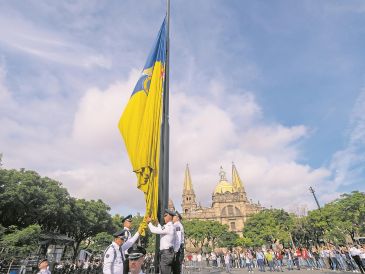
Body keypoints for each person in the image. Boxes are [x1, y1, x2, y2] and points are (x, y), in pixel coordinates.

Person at [146, 209, 176, 274]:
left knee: (164, 271)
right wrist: (158, 223)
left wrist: (149, 223)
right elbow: (161, 230)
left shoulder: (168, 227)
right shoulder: (171, 226)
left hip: (166, 254)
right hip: (169, 253)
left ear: (169, 217)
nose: (164, 217)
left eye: (165, 216)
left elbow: (154, 230)